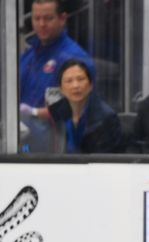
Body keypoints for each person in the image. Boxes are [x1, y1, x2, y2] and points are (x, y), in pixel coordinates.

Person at [19, 0, 95, 150]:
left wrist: (32, 112)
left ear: (62, 19)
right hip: (25, 146)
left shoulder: (75, 59)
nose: (41, 24)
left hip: (59, 151)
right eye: (36, 18)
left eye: (48, 18)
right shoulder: (28, 56)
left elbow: (75, 109)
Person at [46, 59, 124, 153]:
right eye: (69, 81)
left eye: (81, 79)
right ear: (61, 89)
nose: (75, 85)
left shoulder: (107, 118)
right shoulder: (54, 112)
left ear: (90, 85)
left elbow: (106, 160)